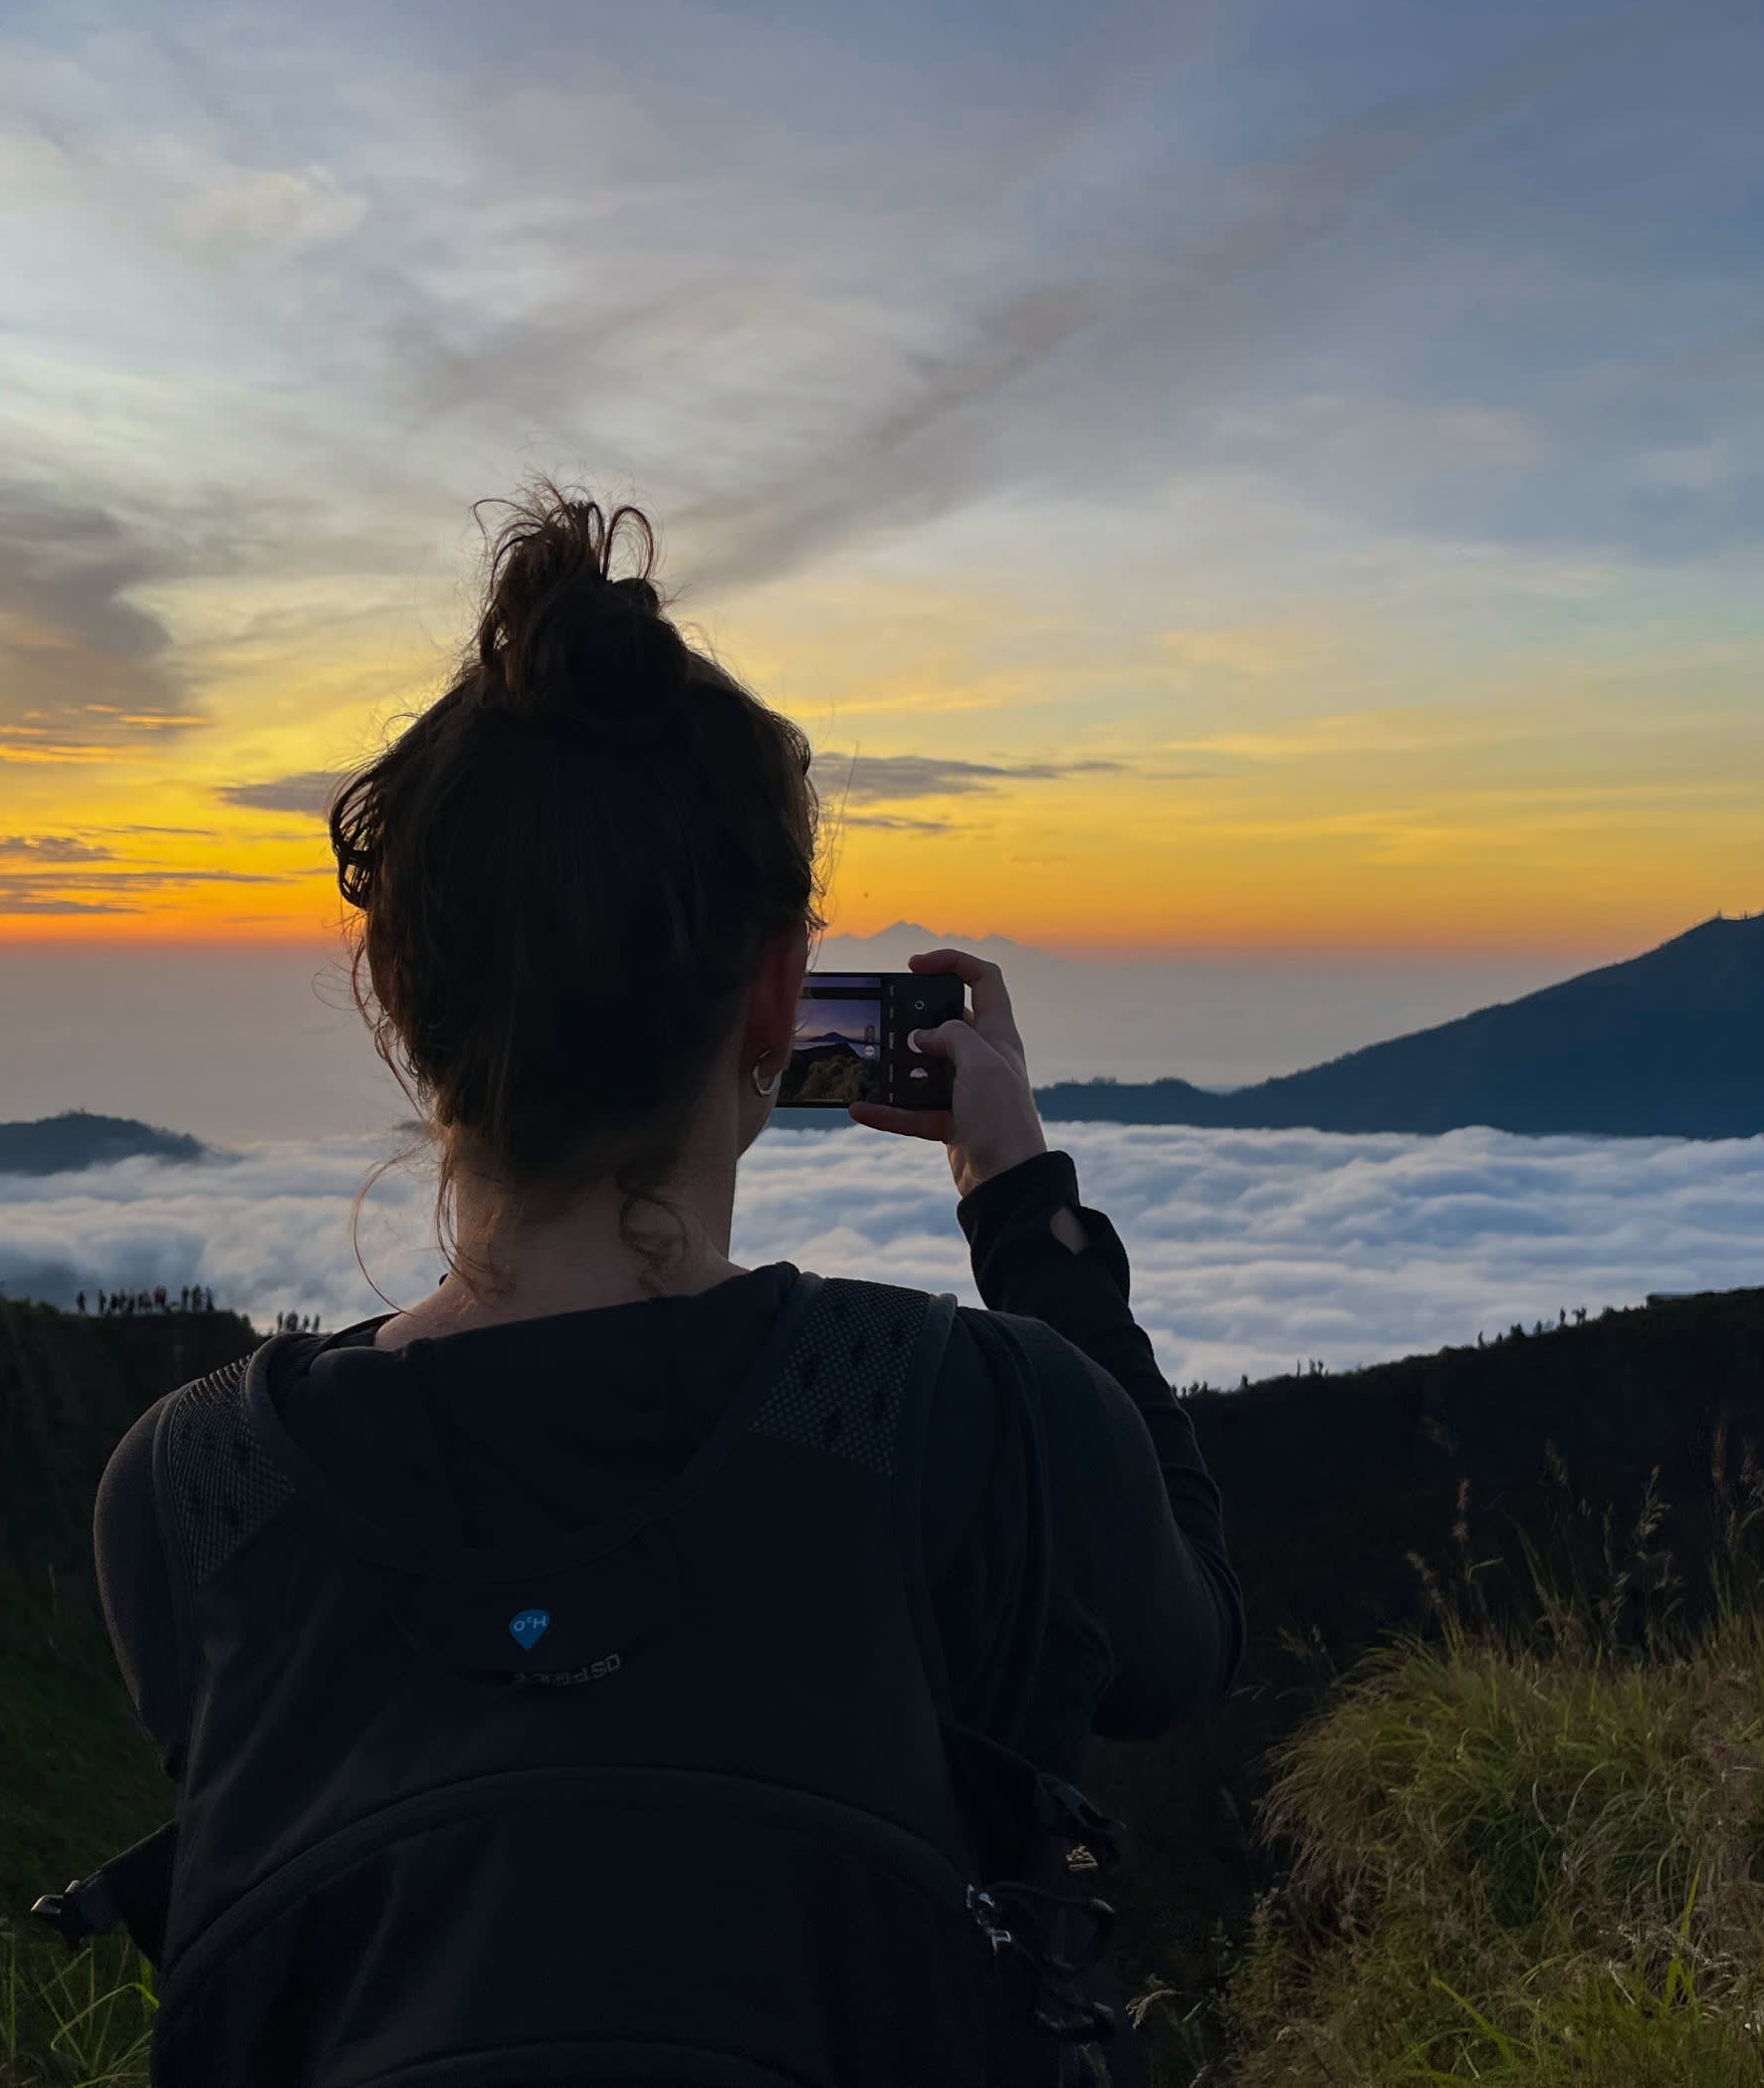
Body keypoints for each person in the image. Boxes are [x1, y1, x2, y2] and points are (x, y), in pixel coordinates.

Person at [91, 490, 1240, 2086]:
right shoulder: (978, 1423)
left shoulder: (195, 1495)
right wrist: (1020, 1199)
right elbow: (1182, 1640)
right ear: (778, 993)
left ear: (398, 987)